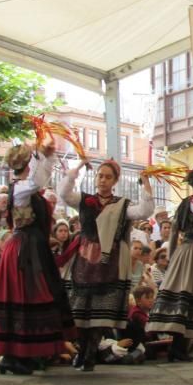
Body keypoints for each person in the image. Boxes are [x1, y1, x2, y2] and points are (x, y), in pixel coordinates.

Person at [58, 158, 154, 371]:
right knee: (80, 313)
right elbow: (64, 194)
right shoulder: (84, 200)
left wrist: (145, 182)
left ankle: (90, 353)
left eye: (107, 177)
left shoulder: (122, 204)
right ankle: (83, 352)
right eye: (100, 175)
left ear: (115, 181)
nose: (102, 180)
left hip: (109, 263)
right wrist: (77, 169)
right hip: (84, 263)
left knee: (100, 315)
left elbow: (144, 211)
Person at [0, 142, 76, 376]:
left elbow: (39, 180)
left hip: (32, 246)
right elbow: (38, 181)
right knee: (25, 297)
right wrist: (44, 156)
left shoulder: (26, 187)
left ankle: (25, 353)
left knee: (34, 296)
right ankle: (14, 355)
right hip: (23, 249)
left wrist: (45, 157)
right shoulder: (21, 188)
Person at [147, 168, 193, 361]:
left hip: (188, 251)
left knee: (187, 297)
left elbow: (174, 232)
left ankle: (180, 347)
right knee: (188, 297)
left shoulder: (186, 204)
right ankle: (178, 348)